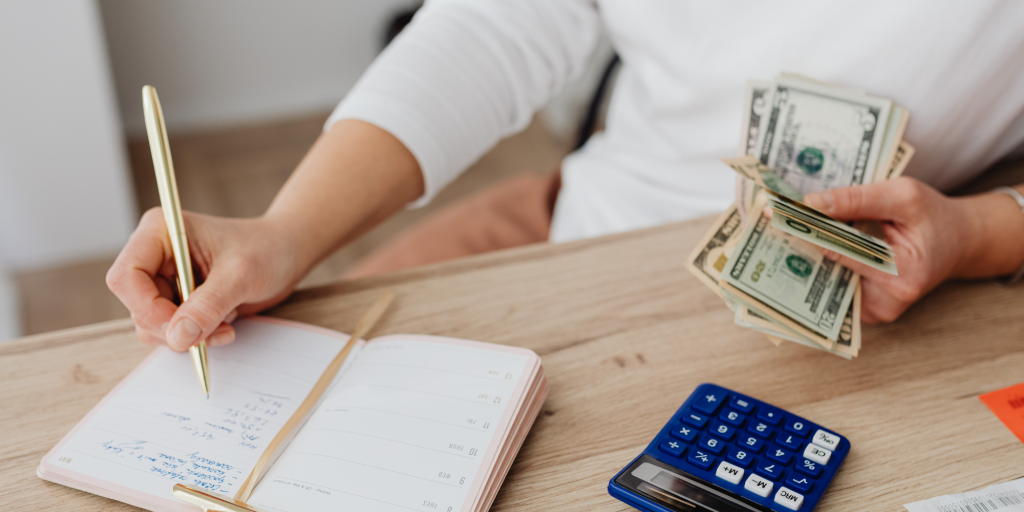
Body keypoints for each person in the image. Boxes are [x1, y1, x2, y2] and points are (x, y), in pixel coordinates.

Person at [106, 1, 1024, 350]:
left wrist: (984, 232)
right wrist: (285, 230)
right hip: (573, 221)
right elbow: (499, 27)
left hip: (892, 301)